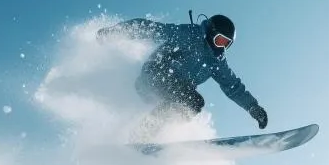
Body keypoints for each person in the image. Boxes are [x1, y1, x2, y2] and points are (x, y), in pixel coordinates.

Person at [96, 13, 268, 140]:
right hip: (155, 74)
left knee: (193, 105)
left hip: (165, 93)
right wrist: (114, 32)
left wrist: (253, 108)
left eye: (226, 44)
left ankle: (151, 134)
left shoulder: (217, 62)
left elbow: (233, 86)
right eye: (219, 40)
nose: (221, 48)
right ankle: (144, 131)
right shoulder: (189, 35)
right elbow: (151, 29)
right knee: (191, 100)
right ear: (210, 31)